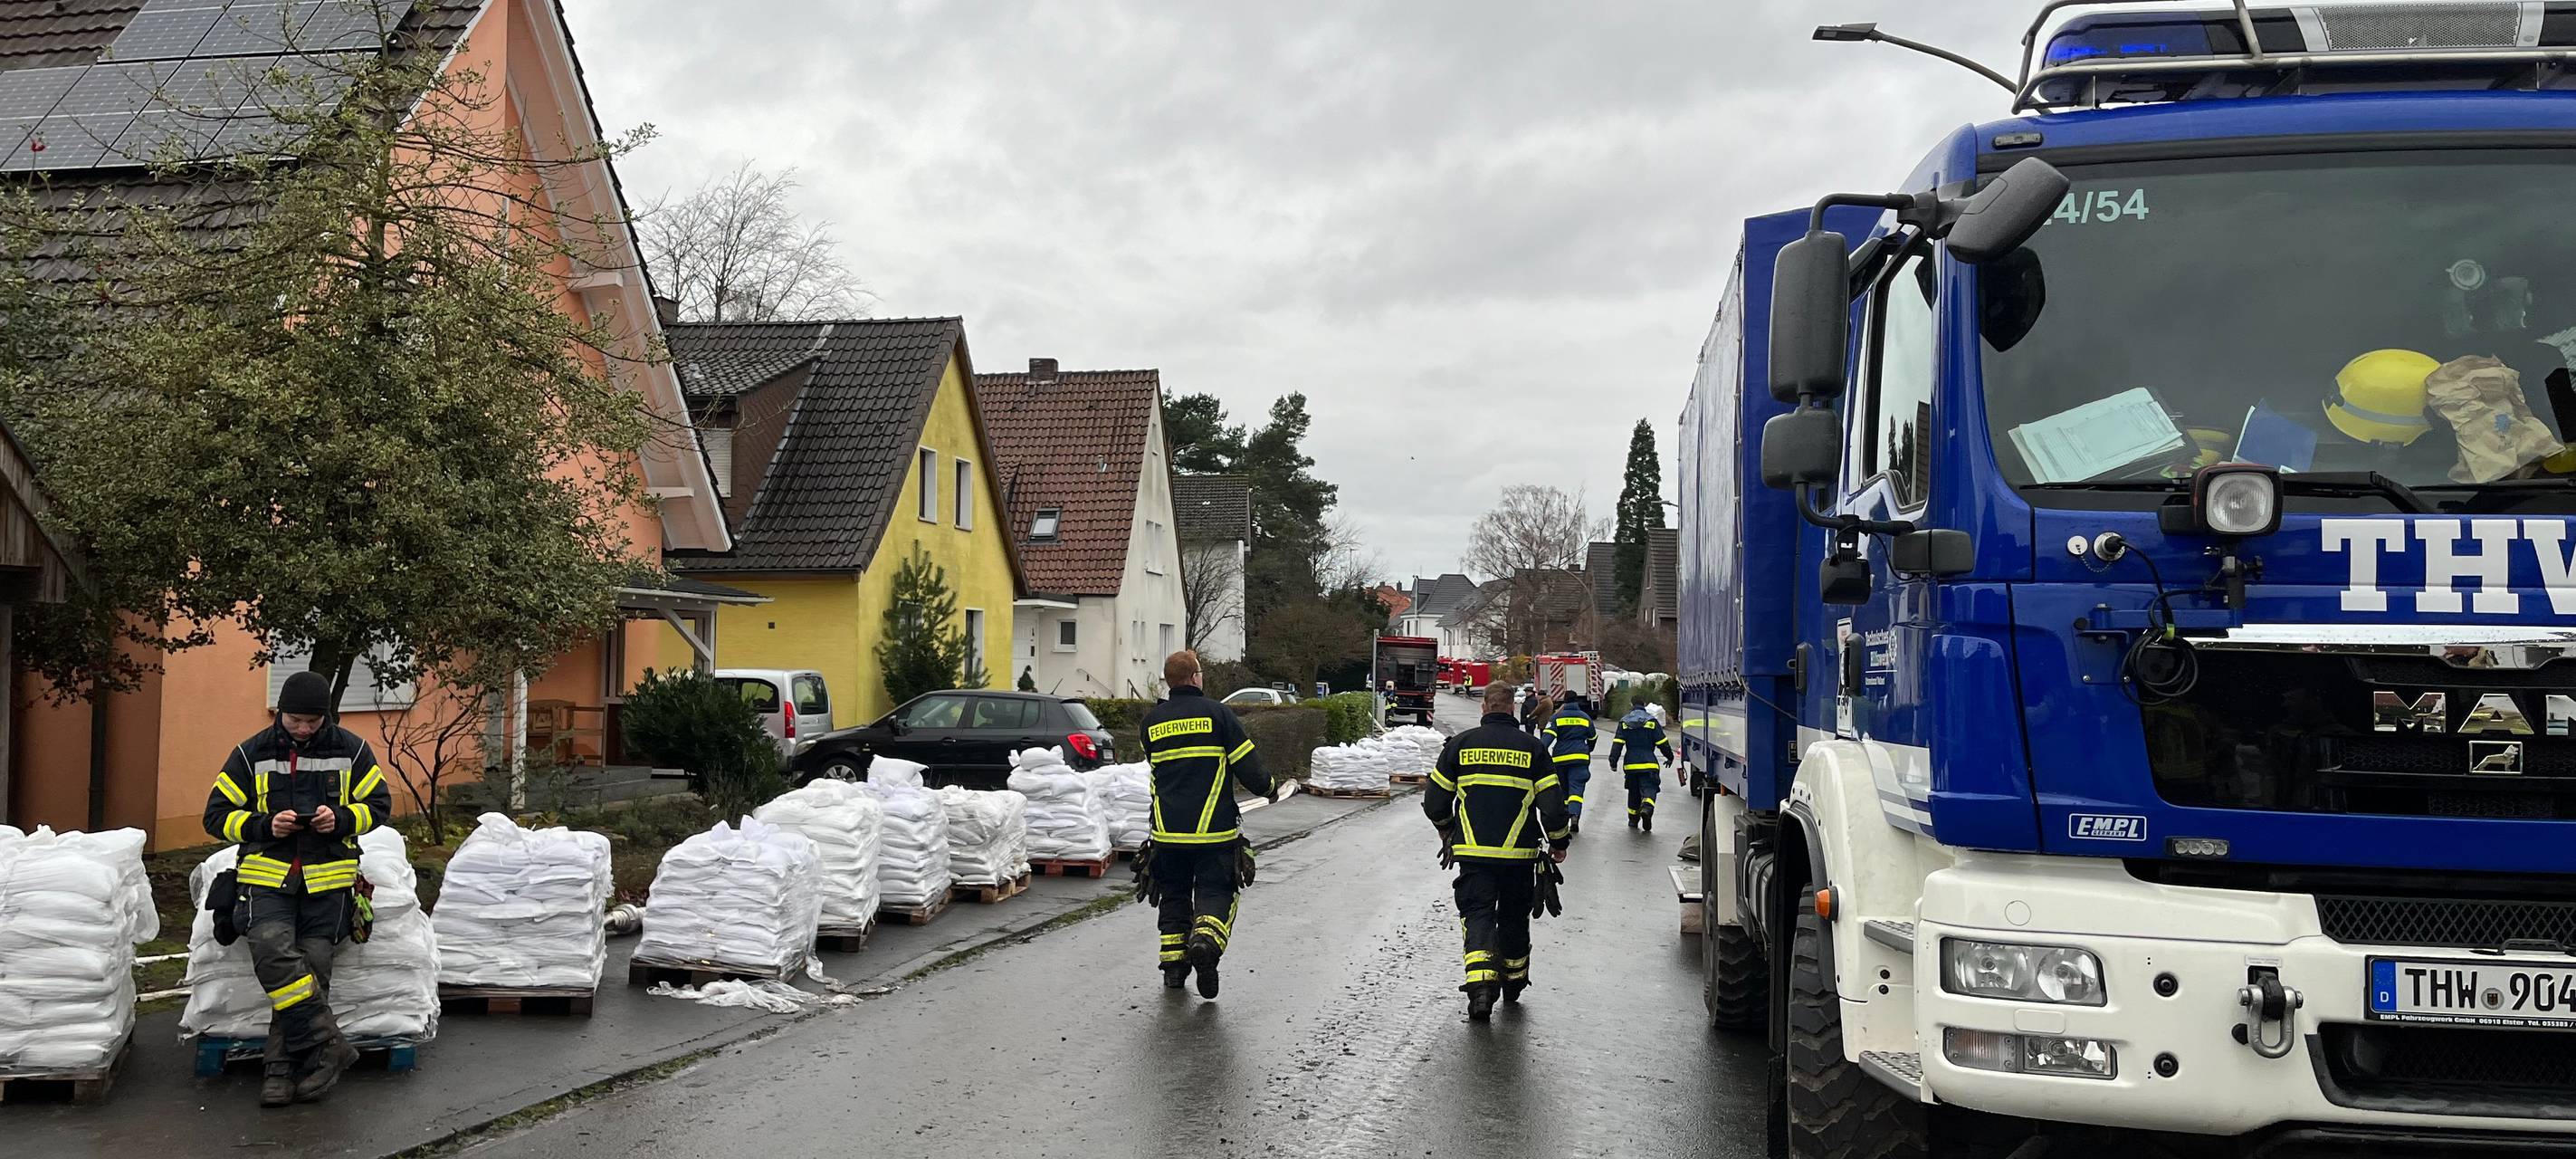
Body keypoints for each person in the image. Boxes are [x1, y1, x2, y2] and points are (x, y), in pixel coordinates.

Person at [199, 670, 392, 1107]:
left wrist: (340, 820)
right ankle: (328, 1046)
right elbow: (215, 817)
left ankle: (281, 1070)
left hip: (329, 883)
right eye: (294, 720)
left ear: (326, 717)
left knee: (313, 964)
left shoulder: (353, 750)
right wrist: (265, 824)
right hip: (267, 878)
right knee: (270, 947)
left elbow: (379, 806)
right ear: (279, 712)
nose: (303, 729)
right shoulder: (250, 754)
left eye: (312, 721)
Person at [1426, 682, 1572, 1020]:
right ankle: (1514, 982)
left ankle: (1480, 989)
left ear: (1484, 707)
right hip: (1519, 858)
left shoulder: (1460, 745)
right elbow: (1552, 806)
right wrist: (1558, 842)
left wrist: (1447, 828)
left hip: (1473, 856)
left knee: (1477, 914)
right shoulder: (1533, 748)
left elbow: (1434, 800)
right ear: (1511, 708)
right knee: (1513, 916)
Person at [1137, 650, 1274, 999]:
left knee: (1174, 896)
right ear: (1196, 676)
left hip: (1167, 834)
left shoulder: (1150, 724)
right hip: (1214, 832)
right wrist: (1270, 789)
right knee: (1216, 891)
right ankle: (1206, 944)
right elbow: (1250, 768)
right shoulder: (1218, 715)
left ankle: (1173, 967)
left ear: (1169, 681)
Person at [1608, 705, 1674, 832]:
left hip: (1631, 765)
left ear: (1631, 707)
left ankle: (1633, 820)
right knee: (1649, 788)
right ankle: (1647, 808)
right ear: (1644, 707)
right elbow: (1662, 742)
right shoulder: (1651, 721)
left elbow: (1617, 744)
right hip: (1649, 764)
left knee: (1633, 793)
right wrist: (1669, 757)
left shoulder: (1624, 722)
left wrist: (1613, 762)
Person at [1541, 691, 1598, 835]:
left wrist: (1541, 755)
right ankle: (1574, 816)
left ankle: (1566, 816)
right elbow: (1593, 737)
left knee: (1563, 790)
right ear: (1577, 701)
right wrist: (1588, 749)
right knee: (1576, 789)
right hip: (1580, 759)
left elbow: (1547, 739)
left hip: (1560, 759)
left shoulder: (1557, 718)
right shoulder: (1585, 718)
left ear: (1564, 701)